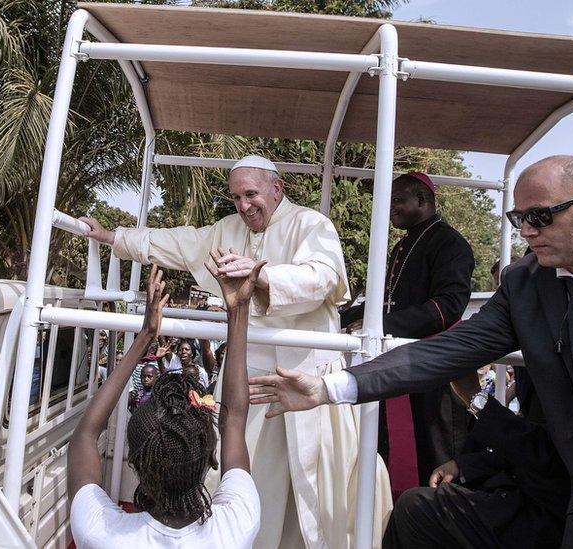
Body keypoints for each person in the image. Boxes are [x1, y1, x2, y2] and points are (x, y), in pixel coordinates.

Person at [251, 155, 573, 548]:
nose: (525, 231)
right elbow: (447, 350)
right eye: (518, 218)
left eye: (540, 217)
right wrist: (330, 386)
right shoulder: (527, 287)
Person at [81, 155, 390, 548]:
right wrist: (113, 237)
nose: (243, 206)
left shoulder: (311, 225)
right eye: (236, 198)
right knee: (249, 482)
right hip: (250, 381)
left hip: (308, 382)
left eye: (251, 195)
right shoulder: (227, 229)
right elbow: (176, 242)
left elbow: (322, 278)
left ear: (277, 189)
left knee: (316, 500)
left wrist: (259, 274)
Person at [69, 263, 261, 548]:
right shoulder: (237, 526)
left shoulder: (100, 533)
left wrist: (145, 335)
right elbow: (233, 420)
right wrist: (238, 309)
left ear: (134, 462)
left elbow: (84, 435)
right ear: (211, 458)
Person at [341, 172, 475, 490]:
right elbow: (386, 302)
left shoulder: (449, 243)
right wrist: (340, 317)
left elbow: (447, 306)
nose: (391, 208)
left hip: (438, 370)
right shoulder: (404, 245)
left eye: (398, 200)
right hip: (403, 361)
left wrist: (381, 325)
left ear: (422, 200)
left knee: (437, 454)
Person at [384, 367, 569, 549]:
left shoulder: (569, 359)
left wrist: (476, 399)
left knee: (414, 508)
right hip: (528, 487)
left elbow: (549, 456)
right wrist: (465, 465)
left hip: (552, 512)